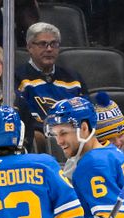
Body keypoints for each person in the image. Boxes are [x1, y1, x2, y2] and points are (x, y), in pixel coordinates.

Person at [15, 22, 88, 151]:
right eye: (43, 44)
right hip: (41, 136)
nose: (49, 49)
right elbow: (21, 116)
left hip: (73, 133)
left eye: (53, 44)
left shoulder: (74, 78)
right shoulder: (18, 78)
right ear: (29, 47)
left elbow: (86, 110)